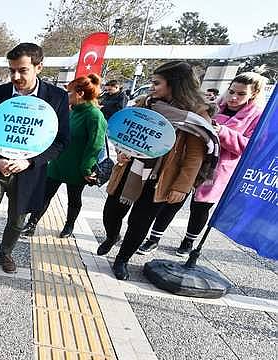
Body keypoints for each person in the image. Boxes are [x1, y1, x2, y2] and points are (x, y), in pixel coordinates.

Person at [0, 43, 70, 294]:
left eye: (22, 70)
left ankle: (5, 252)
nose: (16, 77)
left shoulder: (57, 98)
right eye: (12, 71)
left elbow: (60, 142)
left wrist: (29, 161)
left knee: (17, 222)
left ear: (39, 67)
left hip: (28, 174)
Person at [97, 61, 217, 281]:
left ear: (175, 85)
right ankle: (112, 235)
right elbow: (125, 131)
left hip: (160, 177)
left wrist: (181, 186)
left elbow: (194, 157)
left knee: (140, 222)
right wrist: (121, 150)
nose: (152, 87)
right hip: (130, 169)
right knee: (111, 211)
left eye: (156, 83)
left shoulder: (196, 115)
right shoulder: (147, 103)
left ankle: (122, 259)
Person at [138, 72, 267, 257]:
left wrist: (222, 132)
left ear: (253, 95)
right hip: (193, 161)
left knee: (200, 206)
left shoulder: (257, 116)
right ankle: (154, 238)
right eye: (231, 91)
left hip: (217, 168)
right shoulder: (214, 107)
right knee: (172, 199)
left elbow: (250, 148)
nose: (233, 97)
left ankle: (188, 242)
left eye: (241, 94)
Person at [22, 74, 107, 238]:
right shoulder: (71, 112)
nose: (66, 96)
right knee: (44, 194)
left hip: (78, 167)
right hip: (57, 163)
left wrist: (86, 167)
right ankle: (32, 223)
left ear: (80, 94)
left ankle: (69, 225)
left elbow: (95, 145)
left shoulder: (94, 115)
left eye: (69, 93)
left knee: (74, 199)